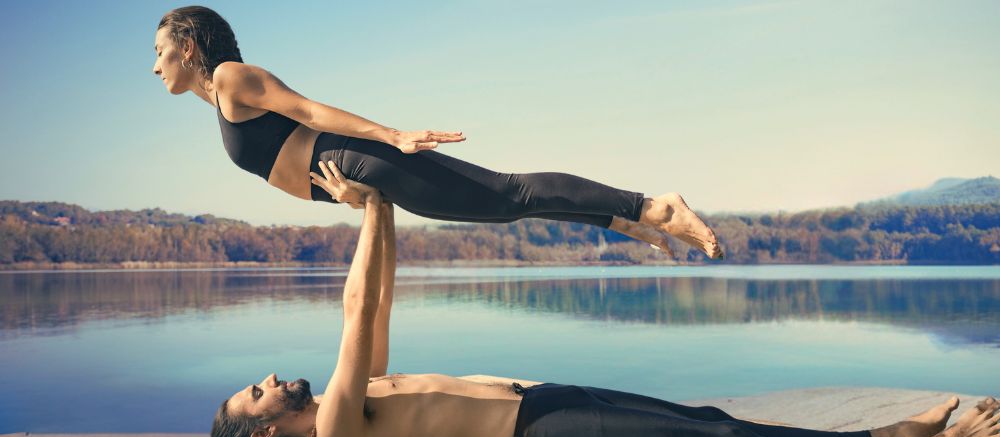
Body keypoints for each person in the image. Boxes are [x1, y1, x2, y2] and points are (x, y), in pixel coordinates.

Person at [191, 163, 1000, 437]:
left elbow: (384, 294)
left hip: (546, 397)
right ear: (264, 435)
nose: (268, 382)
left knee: (712, 419)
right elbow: (357, 307)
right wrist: (366, 203)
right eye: (255, 395)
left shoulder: (354, 397)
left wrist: (387, 205)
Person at [153, 6, 723, 260]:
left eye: (161, 52)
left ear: (190, 46)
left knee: (507, 193)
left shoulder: (231, 77)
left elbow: (308, 111)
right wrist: (337, 195)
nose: (156, 67)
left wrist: (391, 134)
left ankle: (653, 206)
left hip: (358, 156)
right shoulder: (221, 99)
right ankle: (619, 217)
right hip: (350, 176)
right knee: (502, 205)